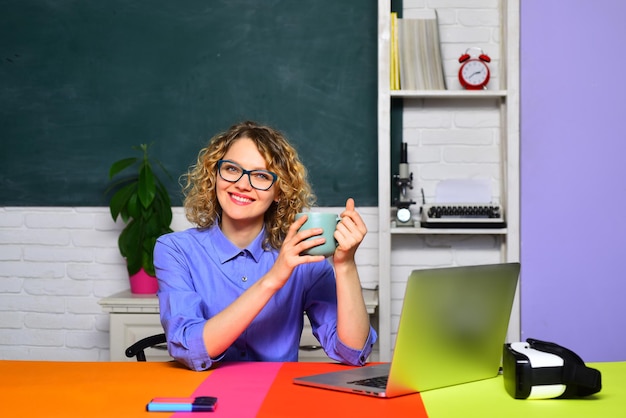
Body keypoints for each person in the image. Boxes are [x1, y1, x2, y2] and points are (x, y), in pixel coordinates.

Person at [154, 121, 377, 371]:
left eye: (261, 175)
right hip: (203, 397)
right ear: (214, 175)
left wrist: (345, 265)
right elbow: (190, 350)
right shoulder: (175, 250)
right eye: (231, 168)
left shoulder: (303, 258)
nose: (242, 184)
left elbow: (353, 352)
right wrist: (274, 278)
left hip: (276, 398)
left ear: (280, 191)